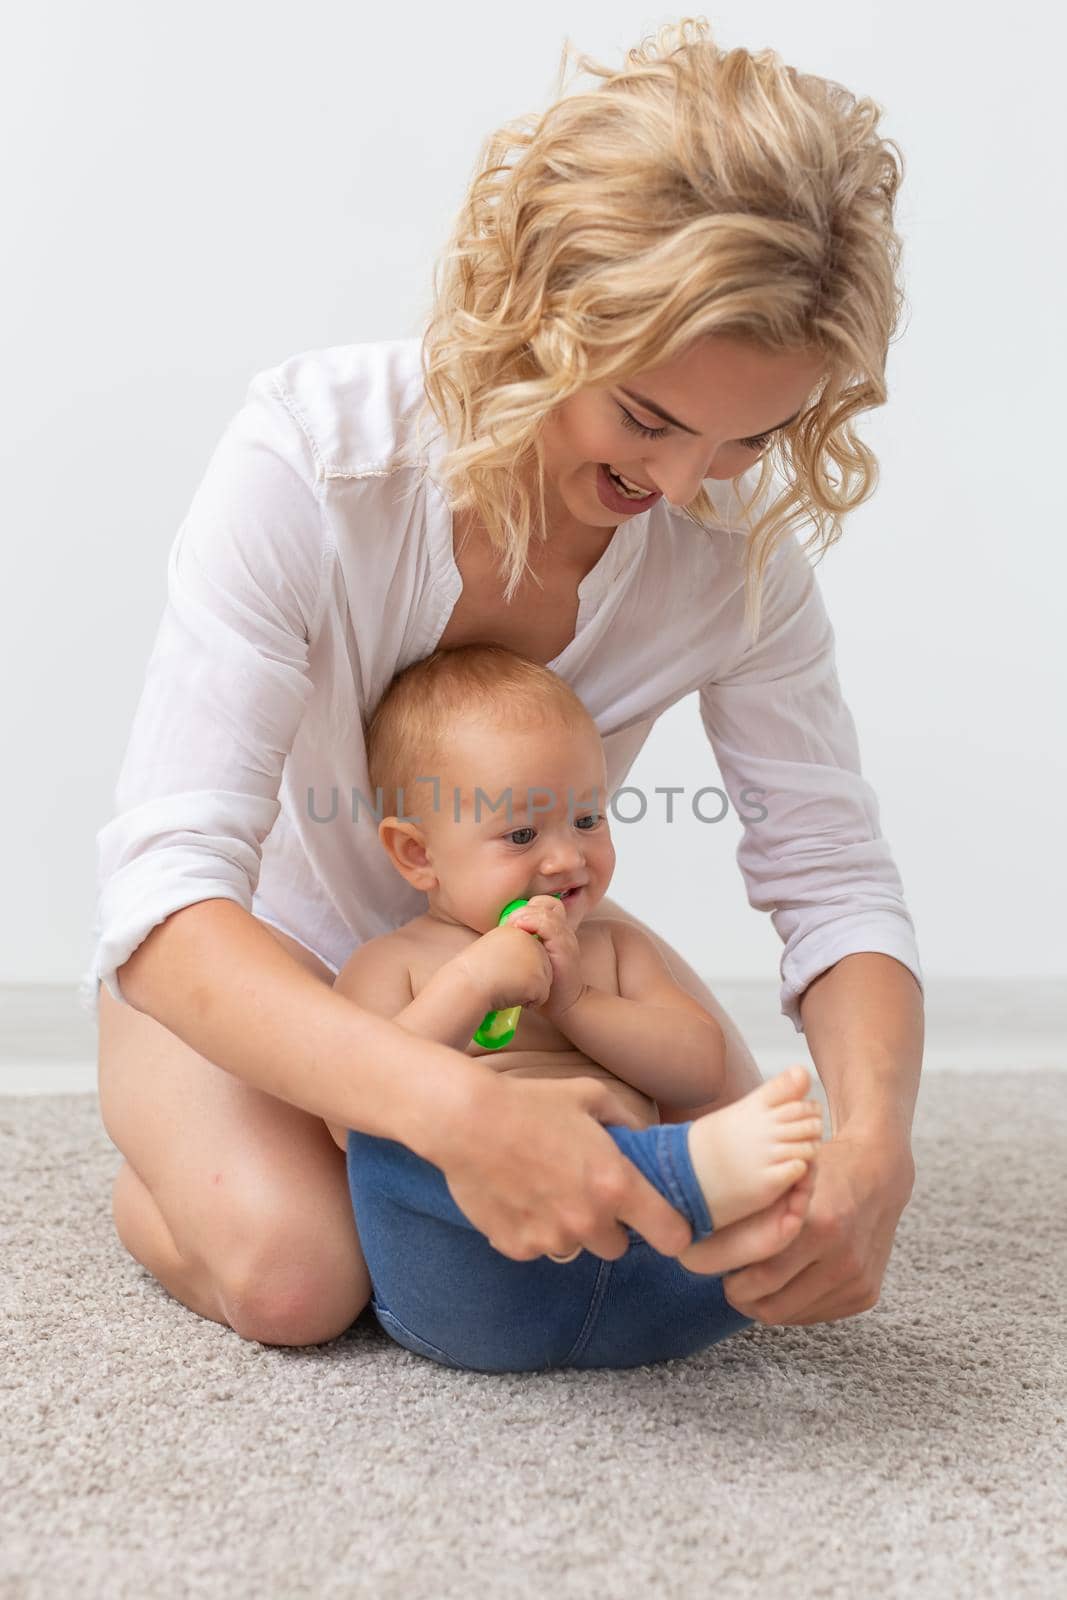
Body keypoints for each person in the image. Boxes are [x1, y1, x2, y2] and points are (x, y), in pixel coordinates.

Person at [88, 20, 923, 1349]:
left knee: (716, 1201)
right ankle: (167, 1179)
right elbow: (165, 891)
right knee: (307, 1283)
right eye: (645, 417)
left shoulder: (727, 553)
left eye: (745, 437)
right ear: (540, 314)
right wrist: (449, 1106)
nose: (677, 485)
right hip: (258, 984)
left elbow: (829, 872)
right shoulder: (313, 466)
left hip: (518, 992)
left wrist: (873, 1141)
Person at [324, 641, 826, 1371]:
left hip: (636, 1260)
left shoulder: (614, 953)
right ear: (417, 855)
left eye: (587, 819)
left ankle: (738, 1225)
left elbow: (696, 1068)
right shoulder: (390, 964)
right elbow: (347, 1120)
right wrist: (472, 984)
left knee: (774, 1238)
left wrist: (577, 1001)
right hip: (472, 1285)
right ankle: (689, 1174)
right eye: (521, 834)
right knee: (382, 1139)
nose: (566, 858)